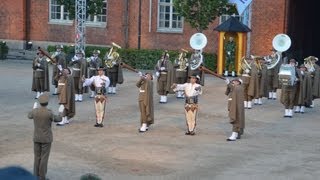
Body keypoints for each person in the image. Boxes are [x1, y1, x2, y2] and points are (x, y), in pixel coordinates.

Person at [27, 93, 62, 180]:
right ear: (47, 103)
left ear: (39, 102)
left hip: (37, 137)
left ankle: (35, 175)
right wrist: (61, 112)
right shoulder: (49, 113)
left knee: (37, 157)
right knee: (44, 158)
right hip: (46, 138)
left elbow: (29, 115)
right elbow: (59, 119)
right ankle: (42, 177)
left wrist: (33, 108)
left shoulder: (35, 112)